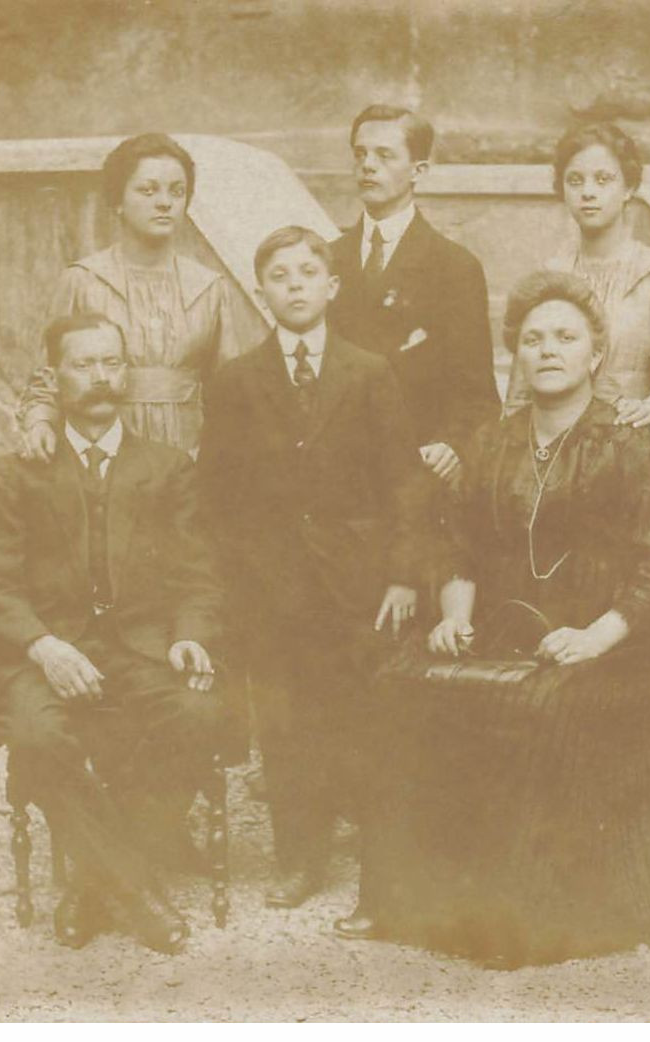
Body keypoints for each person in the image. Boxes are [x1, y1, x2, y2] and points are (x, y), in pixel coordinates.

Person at [335, 270, 650, 966]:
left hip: (616, 653)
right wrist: (453, 613)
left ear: (595, 354)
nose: (547, 350)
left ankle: (522, 913)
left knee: (544, 704)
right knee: (398, 681)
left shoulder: (636, 445)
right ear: (516, 356)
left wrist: (593, 636)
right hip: (509, 630)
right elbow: (459, 542)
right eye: (532, 339)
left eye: (565, 337)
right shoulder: (492, 442)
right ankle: (405, 899)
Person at [0, 312, 225, 952]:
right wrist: (45, 647)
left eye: (112, 363)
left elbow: (200, 576)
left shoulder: (165, 468)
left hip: (141, 647)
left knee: (199, 713)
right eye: (85, 364)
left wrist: (190, 634)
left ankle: (93, 884)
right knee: (36, 733)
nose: (102, 378)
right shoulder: (16, 473)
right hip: (43, 653)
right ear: (54, 376)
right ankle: (135, 891)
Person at [198, 226, 427, 910]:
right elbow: (216, 493)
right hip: (269, 588)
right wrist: (235, 582)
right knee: (284, 724)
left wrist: (400, 575)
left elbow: (404, 485)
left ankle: (375, 855)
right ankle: (299, 857)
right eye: (278, 274)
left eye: (306, 272)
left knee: (355, 712)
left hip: (354, 583)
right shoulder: (236, 380)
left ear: (331, 287)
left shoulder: (369, 371)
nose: (293, 284)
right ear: (261, 292)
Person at [17, 133, 262, 459]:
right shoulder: (83, 280)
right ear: (117, 200)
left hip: (187, 454)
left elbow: (230, 391)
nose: (165, 202)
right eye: (148, 190)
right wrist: (40, 424)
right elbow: (45, 379)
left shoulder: (208, 287)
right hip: (103, 452)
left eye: (177, 192)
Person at [328, 104, 501, 484]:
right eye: (360, 154)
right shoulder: (326, 261)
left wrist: (452, 446)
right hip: (336, 475)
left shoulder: (453, 267)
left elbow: (477, 396)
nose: (367, 165)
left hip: (414, 472)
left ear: (418, 170)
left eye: (384, 155)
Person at [503, 122, 650, 434]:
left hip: (630, 443)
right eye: (575, 181)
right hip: (556, 447)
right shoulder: (549, 276)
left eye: (603, 180)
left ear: (628, 188)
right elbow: (521, 389)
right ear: (562, 190)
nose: (588, 193)